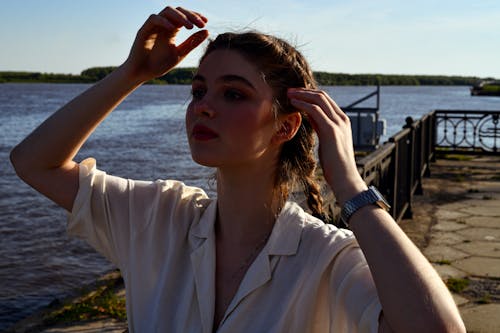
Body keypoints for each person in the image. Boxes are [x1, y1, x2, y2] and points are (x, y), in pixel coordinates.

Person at [10, 5, 465, 333]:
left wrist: (348, 180)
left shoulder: (329, 257)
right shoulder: (158, 216)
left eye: (233, 94)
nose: (203, 108)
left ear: (285, 125)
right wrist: (132, 73)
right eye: (198, 91)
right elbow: (33, 162)